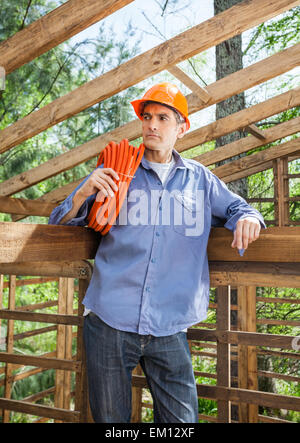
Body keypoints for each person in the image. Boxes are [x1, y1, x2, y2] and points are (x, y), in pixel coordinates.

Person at [49, 82, 265, 423]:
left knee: (182, 422)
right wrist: (83, 192)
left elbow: (240, 208)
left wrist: (249, 217)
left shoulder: (200, 180)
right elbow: (59, 223)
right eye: (147, 116)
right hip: (108, 320)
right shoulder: (117, 172)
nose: (151, 125)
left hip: (170, 326)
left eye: (163, 118)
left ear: (182, 127)